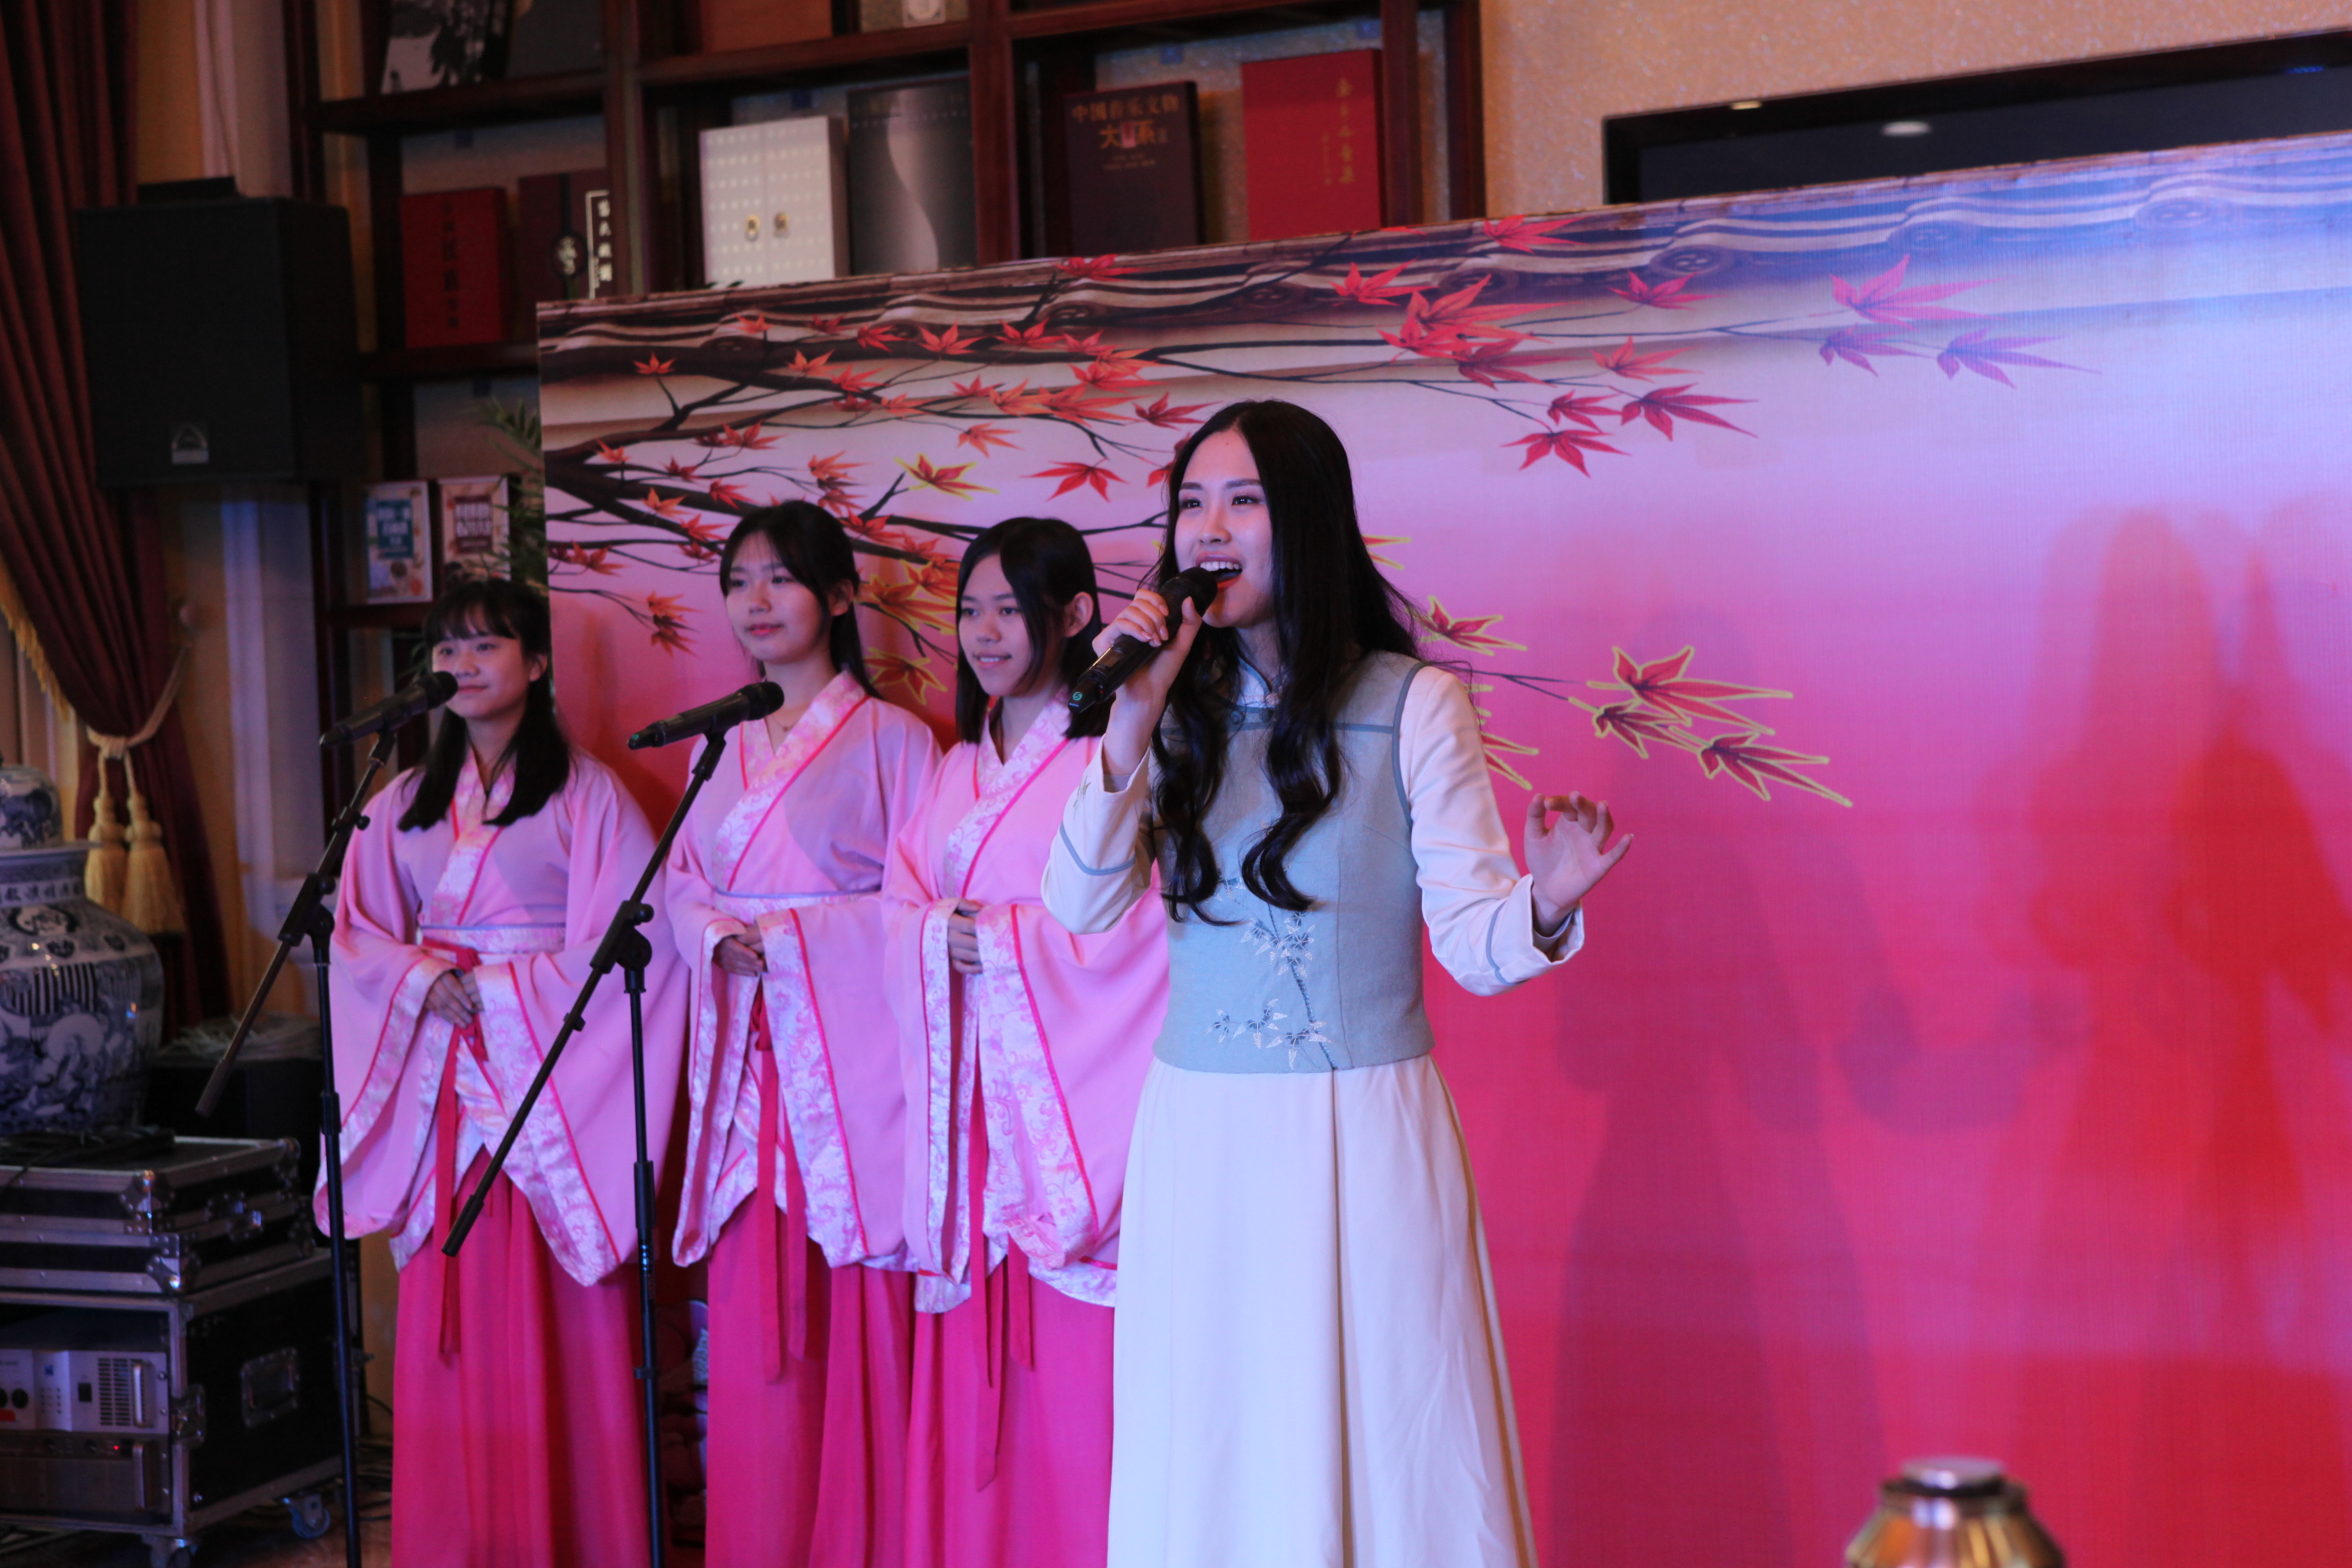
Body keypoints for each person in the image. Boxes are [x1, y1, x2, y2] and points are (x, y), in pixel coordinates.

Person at [1042, 400, 1633, 1568]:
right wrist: (1132, 719)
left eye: (1243, 501)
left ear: (1307, 521)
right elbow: (1079, 905)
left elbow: (1472, 942)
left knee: (1393, 1435)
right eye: (1191, 504)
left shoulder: (1411, 702)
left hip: (1364, 1132)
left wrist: (1549, 897)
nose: (1208, 530)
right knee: (1216, 1439)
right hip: (1202, 1140)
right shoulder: (1166, 708)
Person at [324, 578, 687, 1568]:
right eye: (448, 648)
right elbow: (356, 937)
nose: (464, 664)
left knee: (556, 1315)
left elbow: (633, 939)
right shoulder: (400, 801)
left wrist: (497, 992)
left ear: (536, 663)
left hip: (547, 1093)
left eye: (487, 644)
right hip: (442, 1085)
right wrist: (419, 978)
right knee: (452, 1317)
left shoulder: (590, 795)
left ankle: (576, 1540)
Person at [882, 516, 1168, 1568]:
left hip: (1062, 1110)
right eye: (970, 610)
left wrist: (996, 942)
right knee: (972, 1378)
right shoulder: (955, 767)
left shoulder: (1109, 756)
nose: (985, 632)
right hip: (972, 1109)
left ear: (1078, 613)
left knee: (1077, 1384)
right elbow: (898, 907)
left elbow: (1142, 928)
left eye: (1010, 608)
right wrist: (932, 937)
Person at [667, 504, 939, 1568]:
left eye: (780, 577)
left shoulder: (896, 739)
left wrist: (789, 940)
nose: (757, 600)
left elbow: (916, 907)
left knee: (853, 1305)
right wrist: (710, 932)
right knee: (750, 1323)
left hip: (851, 1073)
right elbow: (681, 885)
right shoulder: (719, 744)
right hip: (748, 1062)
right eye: (739, 580)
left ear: (837, 595)